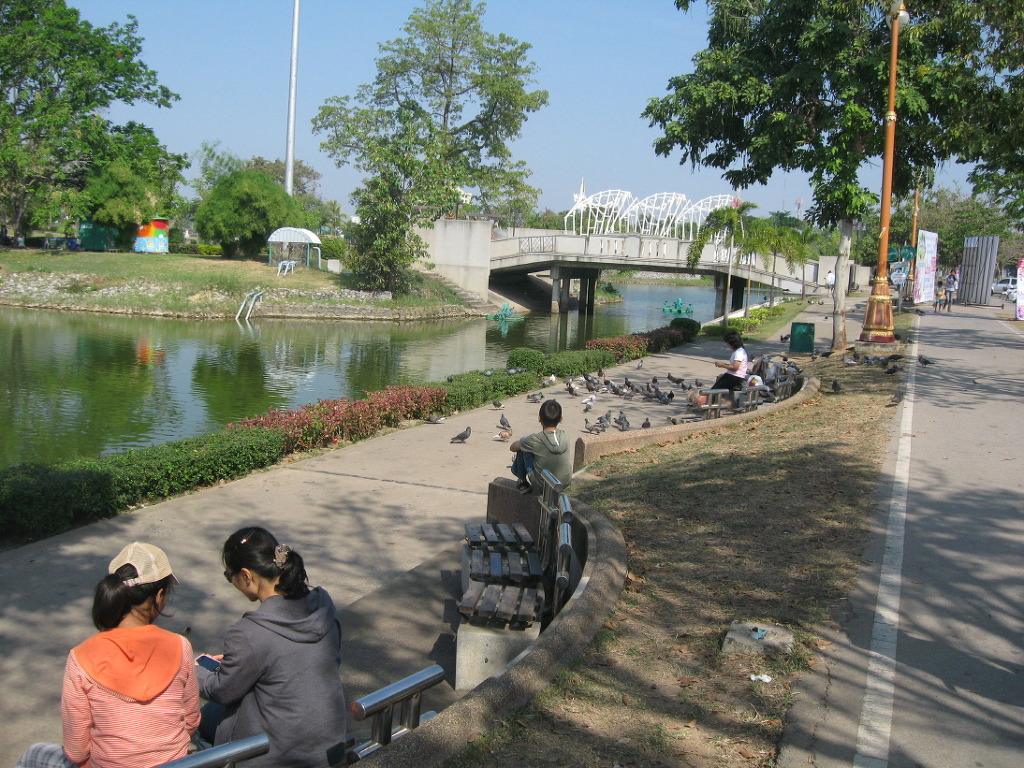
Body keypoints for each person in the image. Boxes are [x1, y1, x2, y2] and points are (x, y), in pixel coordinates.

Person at [16, 543, 200, 768]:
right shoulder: (181, 646)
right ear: (160, 595)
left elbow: (77, 751)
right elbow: (191, 721)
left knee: (34, 753)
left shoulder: (80, 657)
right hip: (175, 765)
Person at [196, 527, 347, 768]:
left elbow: (221, 691)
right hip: (329, 742)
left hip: (279, 756)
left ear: (246, 575)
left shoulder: (249, 633)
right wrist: (241, 660)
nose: (231, 581)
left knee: (206, 717)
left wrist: (194, 669)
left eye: (229, 575)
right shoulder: (323, 603)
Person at [509, 399, 572, 493]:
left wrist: (523, 441)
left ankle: (522, 482)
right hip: (564, 483)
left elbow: (513, 448)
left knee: (523, 449)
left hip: (542, 484)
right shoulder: (565, 436)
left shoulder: (534, 439)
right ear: (561, 419)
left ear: (539, 418)